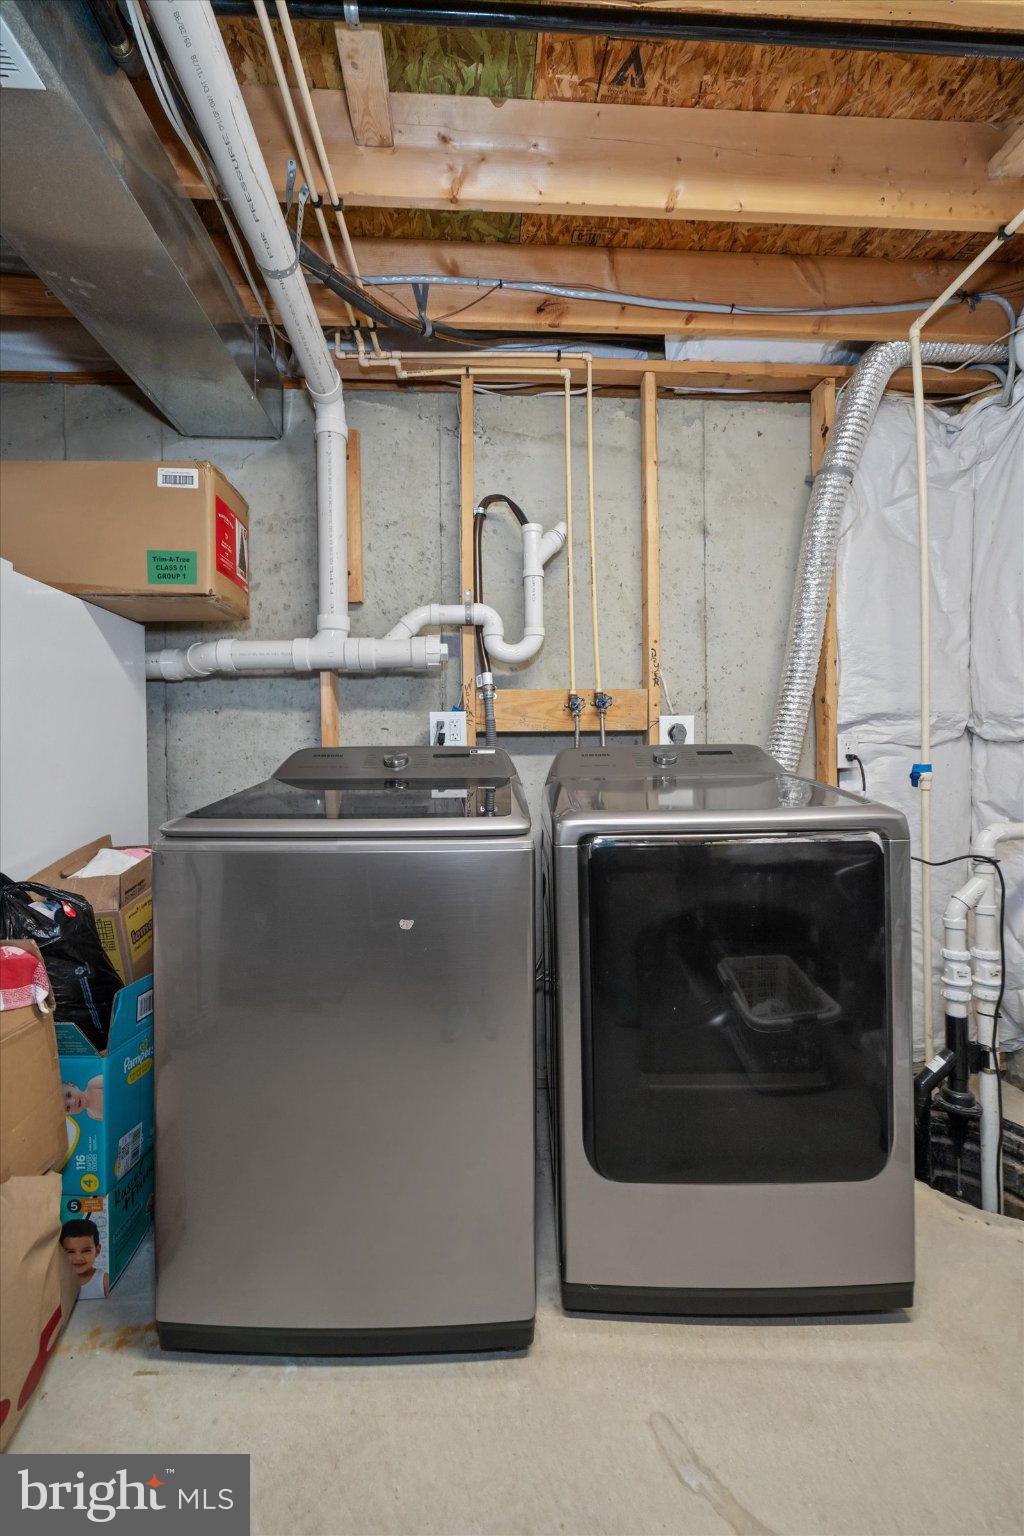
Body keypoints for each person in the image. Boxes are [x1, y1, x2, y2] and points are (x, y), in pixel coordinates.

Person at [60, 1218, 109, 1297]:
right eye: (71, 1252)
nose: (78, 1258)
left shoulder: (104, 1281)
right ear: (60, 1252)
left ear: (97, 1251)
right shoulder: (57, 1281)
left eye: (86, 1251)